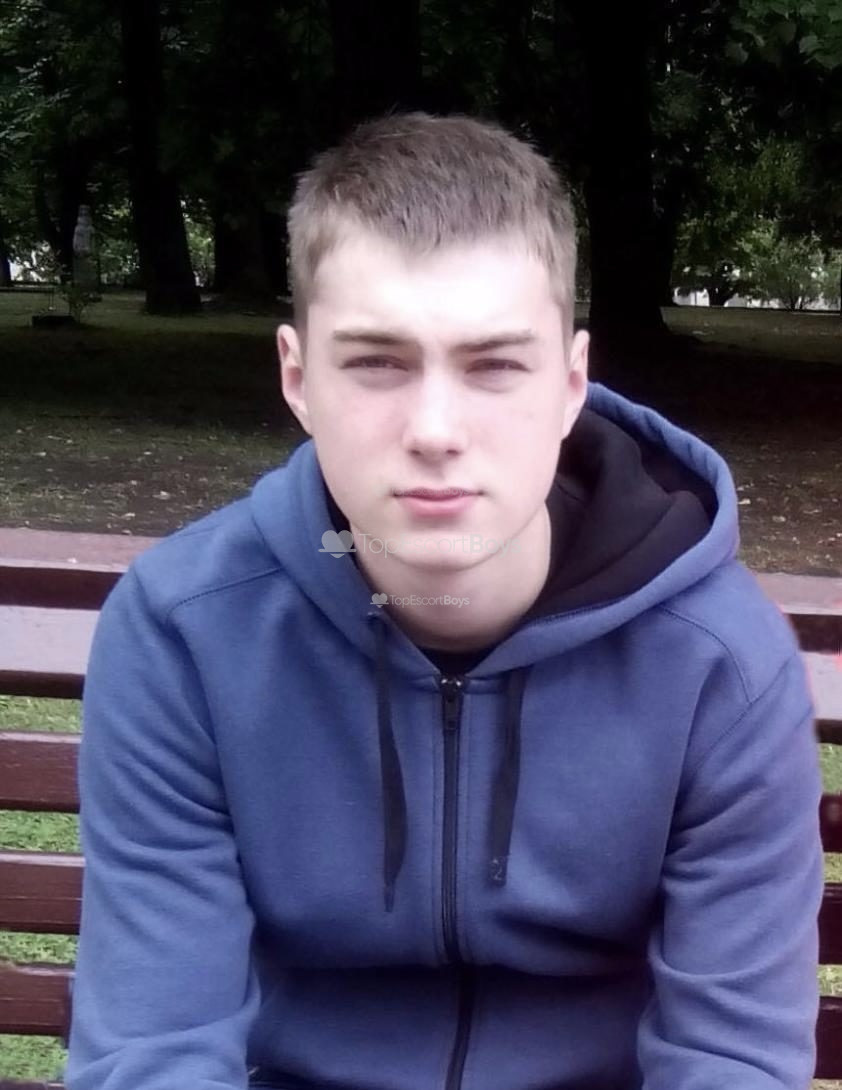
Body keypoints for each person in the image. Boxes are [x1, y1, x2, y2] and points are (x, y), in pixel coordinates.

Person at [65, 112, 823, 1090]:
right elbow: (154, 1046)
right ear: (298, 378)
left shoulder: (720, 661)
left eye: (494, 365)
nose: (433, 429)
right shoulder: (184, 631)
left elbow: (730, 1059)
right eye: (376, 362)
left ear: (570, 384)